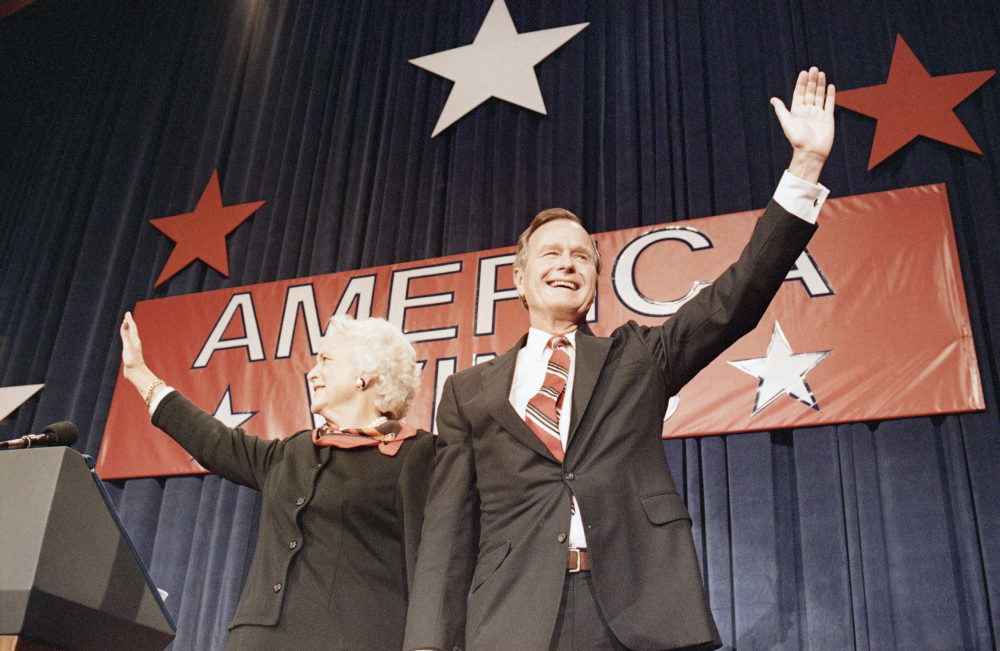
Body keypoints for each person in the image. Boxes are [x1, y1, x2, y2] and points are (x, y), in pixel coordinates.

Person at [403, 67, 835, 650]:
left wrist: (804, 166)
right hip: (514, 622)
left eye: (581, 257)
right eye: (550, 254)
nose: (566, 264)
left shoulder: (637, 357)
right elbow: (447, 531)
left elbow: (738, 296)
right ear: (520, 279)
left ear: (595, 280)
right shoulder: (468, 392)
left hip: (639, 614)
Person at [119, 312, 434, 650]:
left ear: (365, 373)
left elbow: (431, 566)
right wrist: (140, 375)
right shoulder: (296, 451)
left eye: (326, 360)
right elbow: (216, 443)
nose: (313, 373)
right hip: (257, 640)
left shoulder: (415, 455)